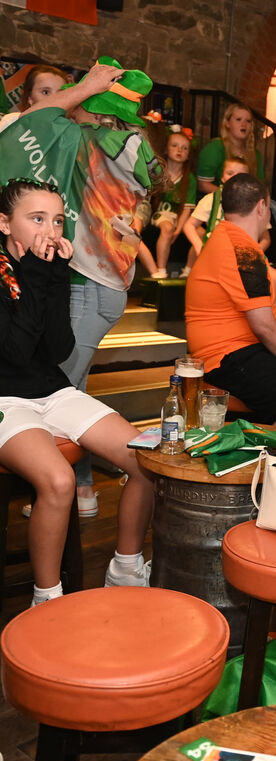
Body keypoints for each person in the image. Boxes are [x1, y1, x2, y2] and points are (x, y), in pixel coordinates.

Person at [1, 58, 159, 518]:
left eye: (66, 94)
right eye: (48, 93)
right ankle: (78, 487)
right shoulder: (39, 133)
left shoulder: (91, 143)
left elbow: (142, 200)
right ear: (31, 99)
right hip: (89, 280)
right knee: (71, 384)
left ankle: (73, 491)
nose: (63, 104)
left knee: (61, 386)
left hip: (91, 282)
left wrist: (133, 225)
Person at [0, 179, 153, 605]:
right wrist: (34, 275)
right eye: (36, 219)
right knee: (59, 480)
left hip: (51, 390)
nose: (50, 231)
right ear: (3, 223)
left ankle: (125, 568)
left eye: (57, 220)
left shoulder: (46, 267)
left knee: (144, 460)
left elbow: (58, 350)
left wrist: (50, 277)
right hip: (4, 399)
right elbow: (13, 354)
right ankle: (47, 598)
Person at [185, 174, 276, 429]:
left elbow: (270, 307)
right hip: (225, 357)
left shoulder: (227, 237)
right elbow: (264, 325)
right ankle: (253, 466)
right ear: (262, 206)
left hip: (235, 351)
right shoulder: (243, 251)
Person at [136, 124, 196, 280]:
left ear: (189, 154)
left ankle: (188, 271)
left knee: (202, 233)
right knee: (167, 227)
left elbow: (187, 210)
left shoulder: (189, 179)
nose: (179, 151)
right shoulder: (158, 171)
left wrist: (179, 229)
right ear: (166, 149)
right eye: (174, 146)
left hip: (179, 217)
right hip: (161, 214)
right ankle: (161, 270)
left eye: (184, 148)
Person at [184, 157, 269, 256]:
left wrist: (254, 253)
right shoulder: (211, 199)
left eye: (240, 175)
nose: (234, 178)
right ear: (222, 177)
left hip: (241, 256)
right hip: (214, 255)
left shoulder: (255, 203)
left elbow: (266, 238)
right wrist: (199, 246)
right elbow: (189, 225)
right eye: (230, 173)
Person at [196, 103, 264, 193]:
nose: (243, 124)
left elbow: (260, 185)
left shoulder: (255, 154)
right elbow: (202, 184)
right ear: (227, 123)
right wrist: (232, 196)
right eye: (238, 119)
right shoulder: (215, 148)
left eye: (248, 121)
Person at [0, 64, 70, 135]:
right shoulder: (12, 123)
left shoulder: (69, 134)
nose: (53, 99)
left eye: (60, 94)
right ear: (30, 98)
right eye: (45, 92)